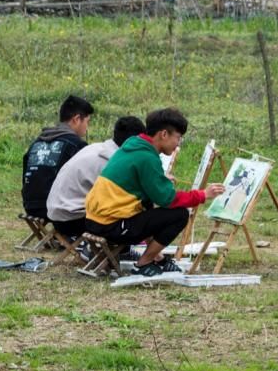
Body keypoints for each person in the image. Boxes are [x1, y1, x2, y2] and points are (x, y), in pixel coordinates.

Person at [84, 107, 225, 277]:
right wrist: (203, 195)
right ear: (163, 134)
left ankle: (157, 257)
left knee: (147, 205)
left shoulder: (133, 146)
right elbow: (167, 199)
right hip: (110, 225)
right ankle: (144, 263)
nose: (178, 143)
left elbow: (145, 187)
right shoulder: (147, 157)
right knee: (179, 215)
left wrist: (160, 180)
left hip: (93, 220)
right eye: (178, 138)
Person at [46, 115, 145, 239]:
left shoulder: (96, 148)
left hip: (57, 214)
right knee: (129, 209)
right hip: (72, 219)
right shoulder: (113, 160)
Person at [21, 95, 94, 220]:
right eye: (87, 122)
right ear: (76, 119)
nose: (87, 127)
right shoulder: (77, 146)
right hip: (58, 208)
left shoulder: (37, 142)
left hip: (30, 205)